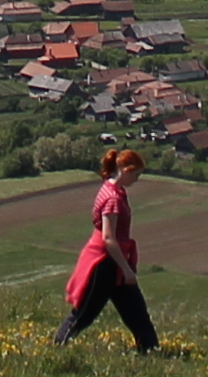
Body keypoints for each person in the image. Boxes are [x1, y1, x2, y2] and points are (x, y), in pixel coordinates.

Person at [56, 146, 160, 352]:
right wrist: (126, 269)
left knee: (135, 309)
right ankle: (58, 346)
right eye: (136, 175)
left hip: (114, 260)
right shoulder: (113, 198)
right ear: (125, 171)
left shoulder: (113, 189)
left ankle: (151, 349)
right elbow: (108, 238)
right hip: (105, 263)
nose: (137, 180)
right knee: (86, 312)